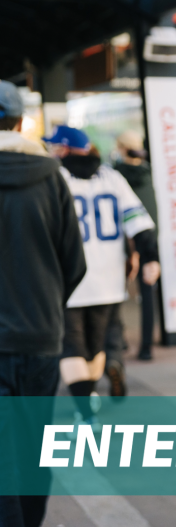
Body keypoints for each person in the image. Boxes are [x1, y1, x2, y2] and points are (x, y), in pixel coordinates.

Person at [0, 81, 87, 527]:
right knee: (34, 449)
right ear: (19, 123)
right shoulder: (51, 176)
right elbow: (75, 262)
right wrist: (46, 306)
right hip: (40, 339)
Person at [44, 126, 160, 429]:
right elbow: (139, 223)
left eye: (55, 147)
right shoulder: (112, 177)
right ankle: (91, 396)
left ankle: (86, 413)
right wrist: (151, 259)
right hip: (109, 280)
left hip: (69, 279)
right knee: (96, 347)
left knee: (71, 347)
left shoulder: (55, 178)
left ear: (65, 150)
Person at [112, 130, 158, 361]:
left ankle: (116, 340)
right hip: (149, 238)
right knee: (148, 292)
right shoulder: (150, 172)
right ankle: (147, 347)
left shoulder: (116, 176)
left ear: (121, 148)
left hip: (123, 240)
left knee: (116, 290)